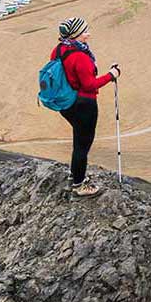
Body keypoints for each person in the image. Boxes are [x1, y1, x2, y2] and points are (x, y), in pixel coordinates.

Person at [50, 17, 120, 196]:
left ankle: (75, 176)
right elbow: (89, 85)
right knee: (83, 145)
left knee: (78, 140)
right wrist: (111, 75)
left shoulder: (59, 49)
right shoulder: (80, 56)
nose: (88, 33)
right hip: (84, 104)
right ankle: (80, 185)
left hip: (66, 103)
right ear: (75, 34)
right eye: (84, 31)